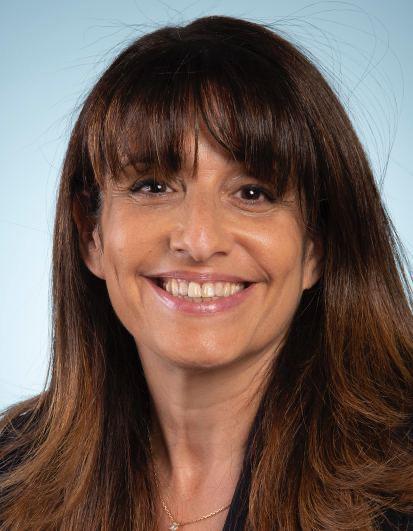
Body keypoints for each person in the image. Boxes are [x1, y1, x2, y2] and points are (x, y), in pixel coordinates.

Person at [0, 15, 412, 531]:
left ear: (316, 245)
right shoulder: (11, 476)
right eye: (153, 186)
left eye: (252, 193)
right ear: (92, 235)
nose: (197, 241)